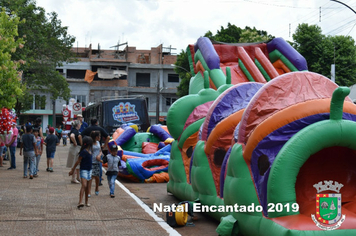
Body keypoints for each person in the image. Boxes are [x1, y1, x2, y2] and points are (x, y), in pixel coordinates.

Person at [80, 118, 110, 185]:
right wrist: (104, 145)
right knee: (99, 164)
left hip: (89, 148)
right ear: (97, 122)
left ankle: (88, 178)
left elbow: (80, 135)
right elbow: (108, 137)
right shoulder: (100, 129)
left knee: (89, 163)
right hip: (98, 147)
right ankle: (98, 180)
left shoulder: (88, 129)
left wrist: (83, 145)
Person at [69, 136, 93, 209]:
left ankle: (86, 202)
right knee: (84, 185)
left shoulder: (89, 151)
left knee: (87, 187)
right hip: (84, 170)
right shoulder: (84, 152)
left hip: (89, 170)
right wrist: (72, 170)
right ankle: (80, 202)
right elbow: (78, 161)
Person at [88, 131, 103, 197]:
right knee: (90, 177)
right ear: (96, 137)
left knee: (97, 176)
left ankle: (97, 187)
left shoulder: (98, 143)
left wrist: (99, 155)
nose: (100, 137)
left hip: (97, 161)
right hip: (91, 161)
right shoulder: (90, 143)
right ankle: (89, 191)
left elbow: (100, 151)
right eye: (99, 136)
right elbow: (88, 151)